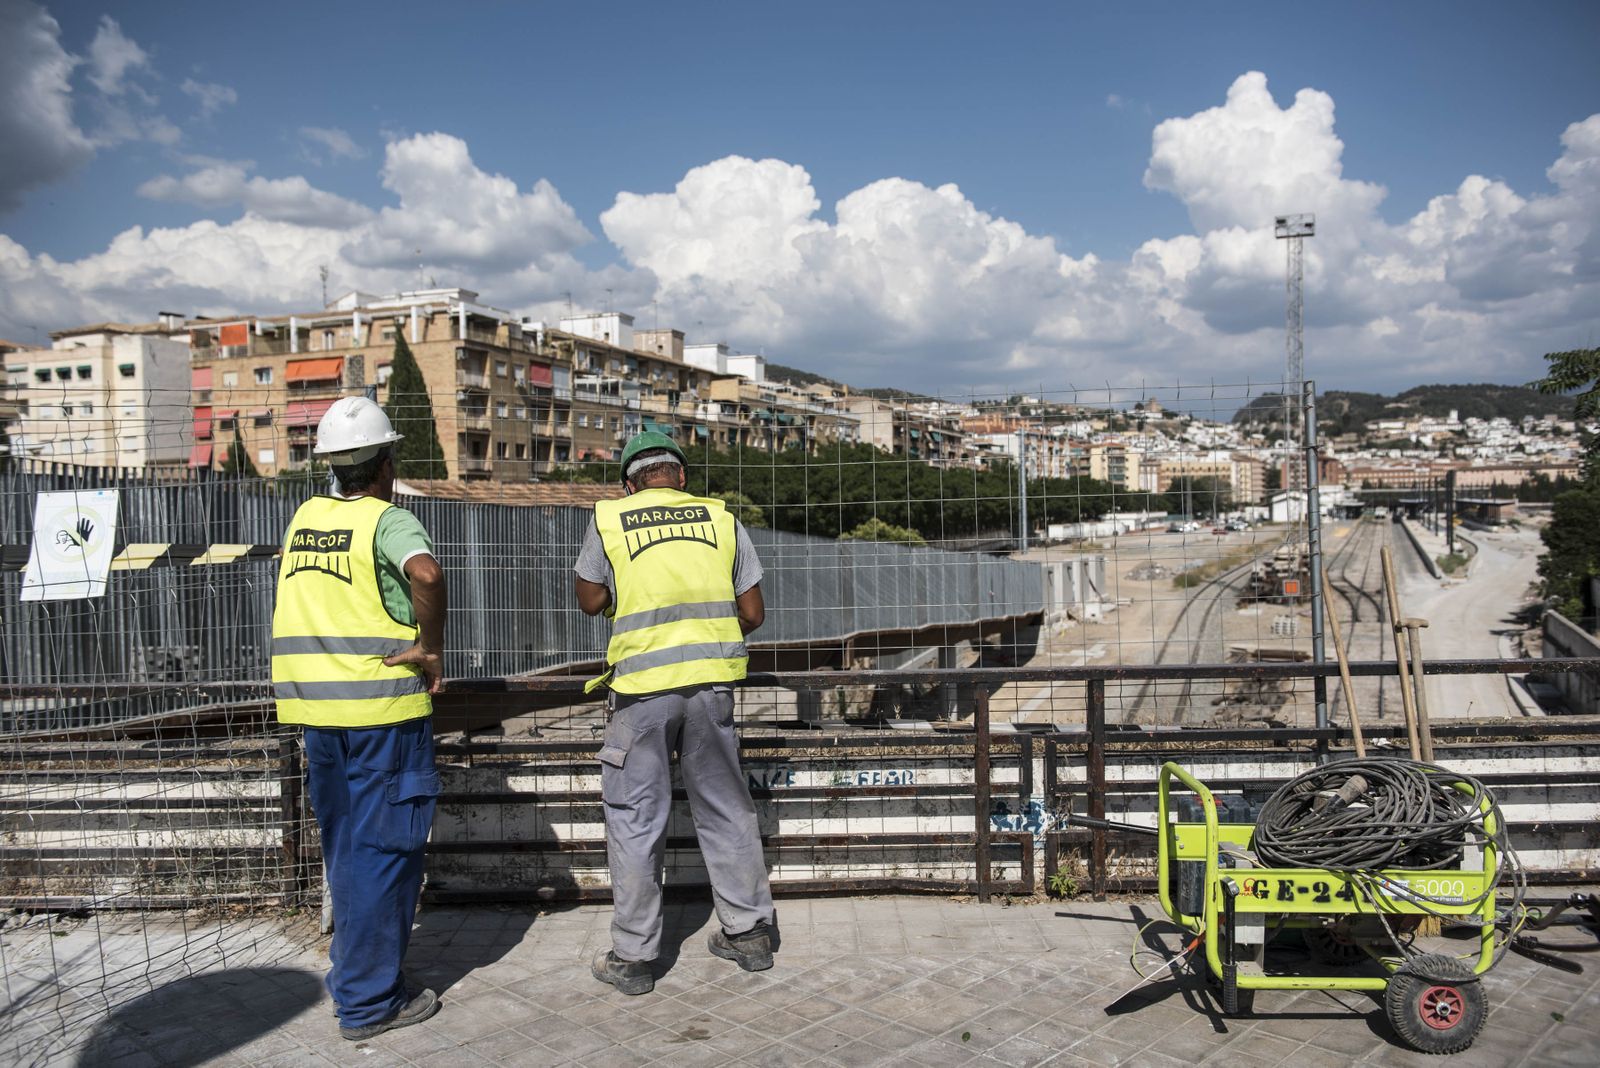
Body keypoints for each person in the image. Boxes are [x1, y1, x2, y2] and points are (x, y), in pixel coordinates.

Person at [271, 396, 448, 1040]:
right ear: (387, 462)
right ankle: (370, 1002)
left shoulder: (305, 518)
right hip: (381, 712)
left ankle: (353, 972)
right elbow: (427, 574)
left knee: (346, 848)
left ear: (329, 465)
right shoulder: (389, 520)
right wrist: (430, 647)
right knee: (387, 849)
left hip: (318, 715)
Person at [574, 430, 775, 996]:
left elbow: (589, 600)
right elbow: (753, 612)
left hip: (641, 691)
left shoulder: (610, 520)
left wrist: (628, 597)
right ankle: (749, 933)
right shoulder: (721, 520)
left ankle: (635, 958)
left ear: (628, 482)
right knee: (727, 806)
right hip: (712, 688)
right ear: (681, 477)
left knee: (636, 818)